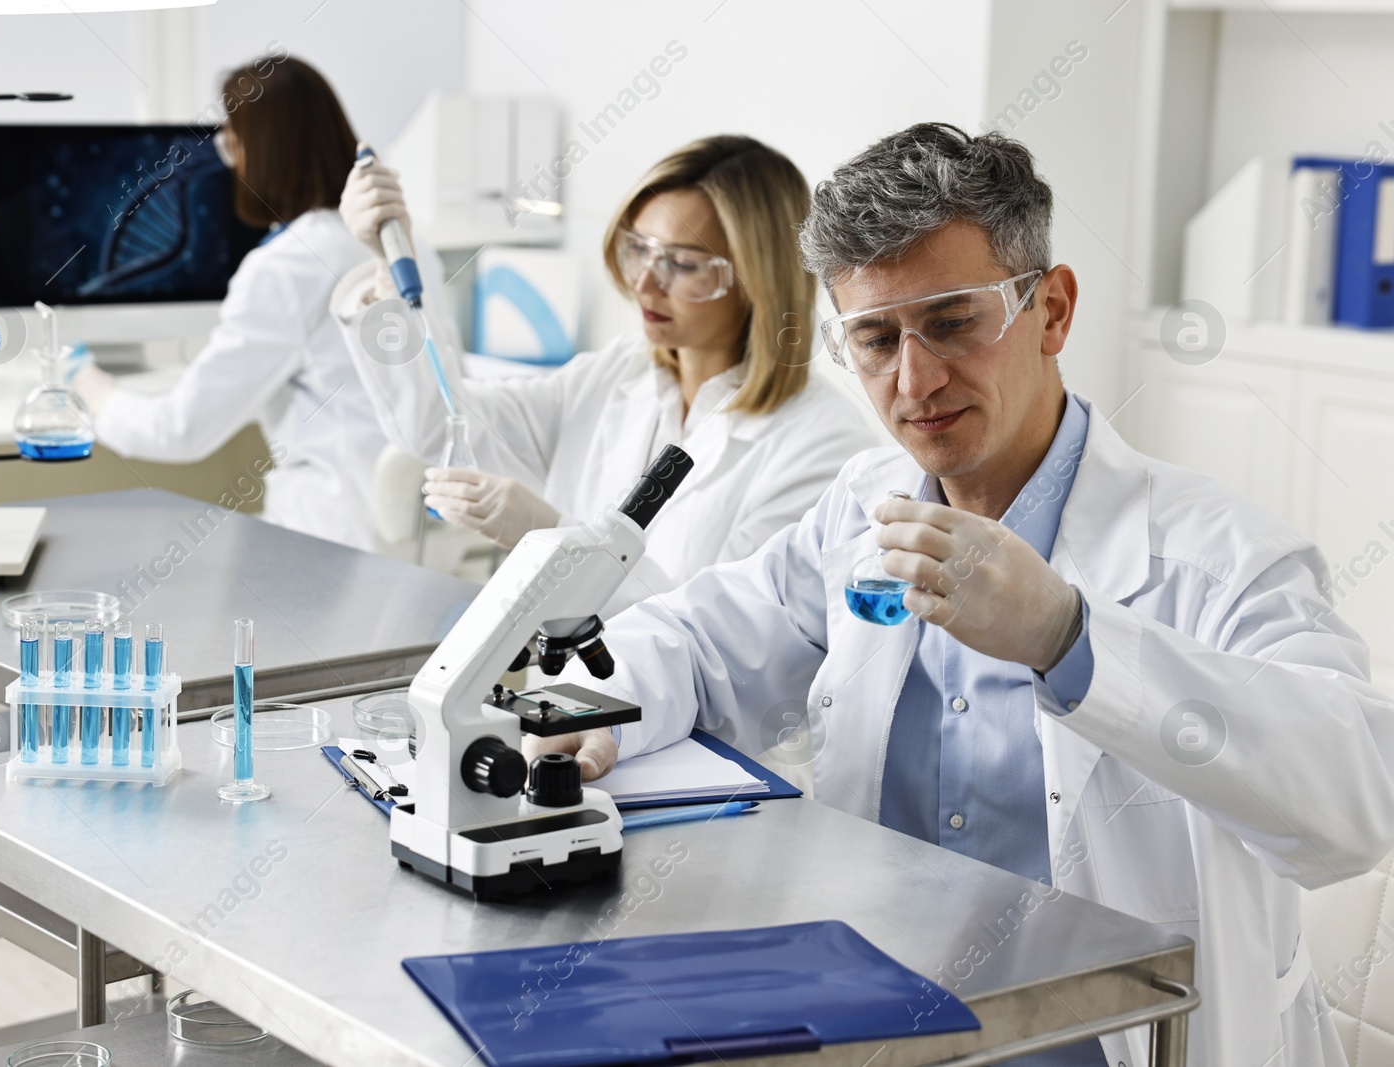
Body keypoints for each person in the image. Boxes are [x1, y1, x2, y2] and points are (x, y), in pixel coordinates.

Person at [533, 124, 1394, 1067]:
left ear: (1052, 309)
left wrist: (1071, 638)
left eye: (952, 322)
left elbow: (1354, 806)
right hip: (883, 1030)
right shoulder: (862, 510)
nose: (915, 380)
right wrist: (595, 713)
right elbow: (702, 637)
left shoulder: (1218, 556)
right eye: (873, 337)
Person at [331, 135, 874, 613]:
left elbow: (715, 636)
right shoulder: (618, 373)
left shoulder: (822, 447)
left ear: (758, 277)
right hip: (570, 701)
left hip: (704, 729)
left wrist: (551, 535)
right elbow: (440, 424)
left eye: (681, 264)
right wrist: (389, 255)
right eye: (638, 250)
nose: (645, 283)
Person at [74, 57, 386, 551]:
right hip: (409, 530)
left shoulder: (285, 268)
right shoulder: (396, 240)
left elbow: (180, 432)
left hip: (331, 537)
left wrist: (93, 390)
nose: (230, 160)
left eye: (232, 142)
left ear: (261, 152)